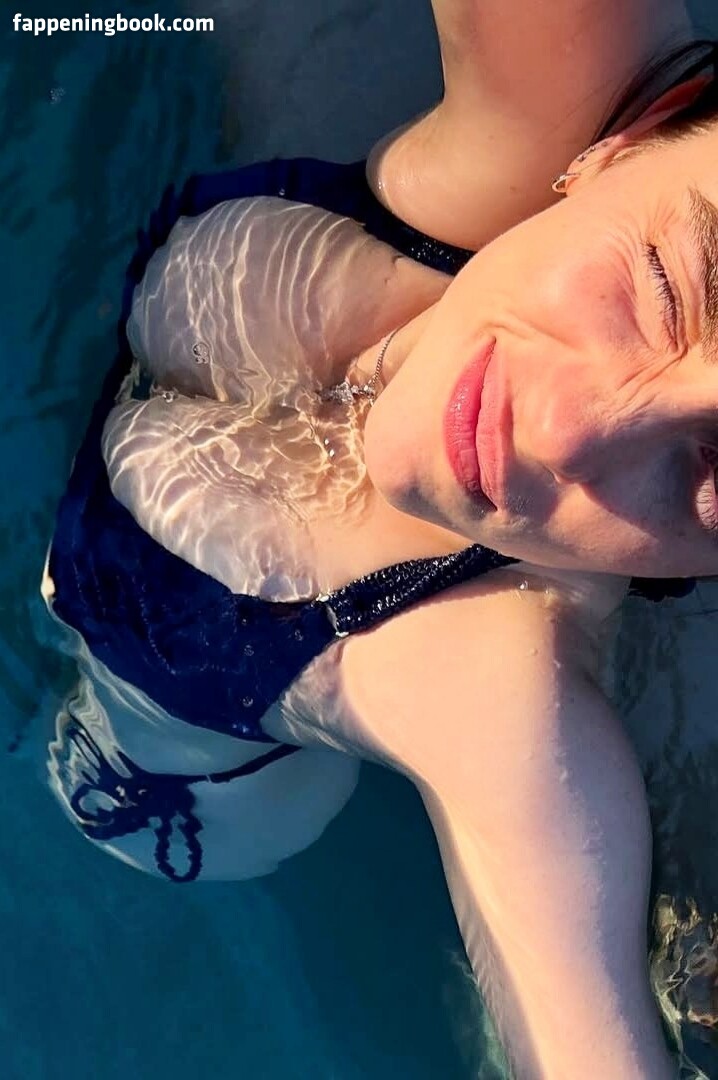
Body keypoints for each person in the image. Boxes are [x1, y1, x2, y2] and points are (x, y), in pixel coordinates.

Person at [41, 0, 718, 1074]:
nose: (562, 430)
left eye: (711, 478)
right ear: (624, 145)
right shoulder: (567, 106)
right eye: (668, 285)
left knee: (109, 814)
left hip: (195, 782)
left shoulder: (492, 700)